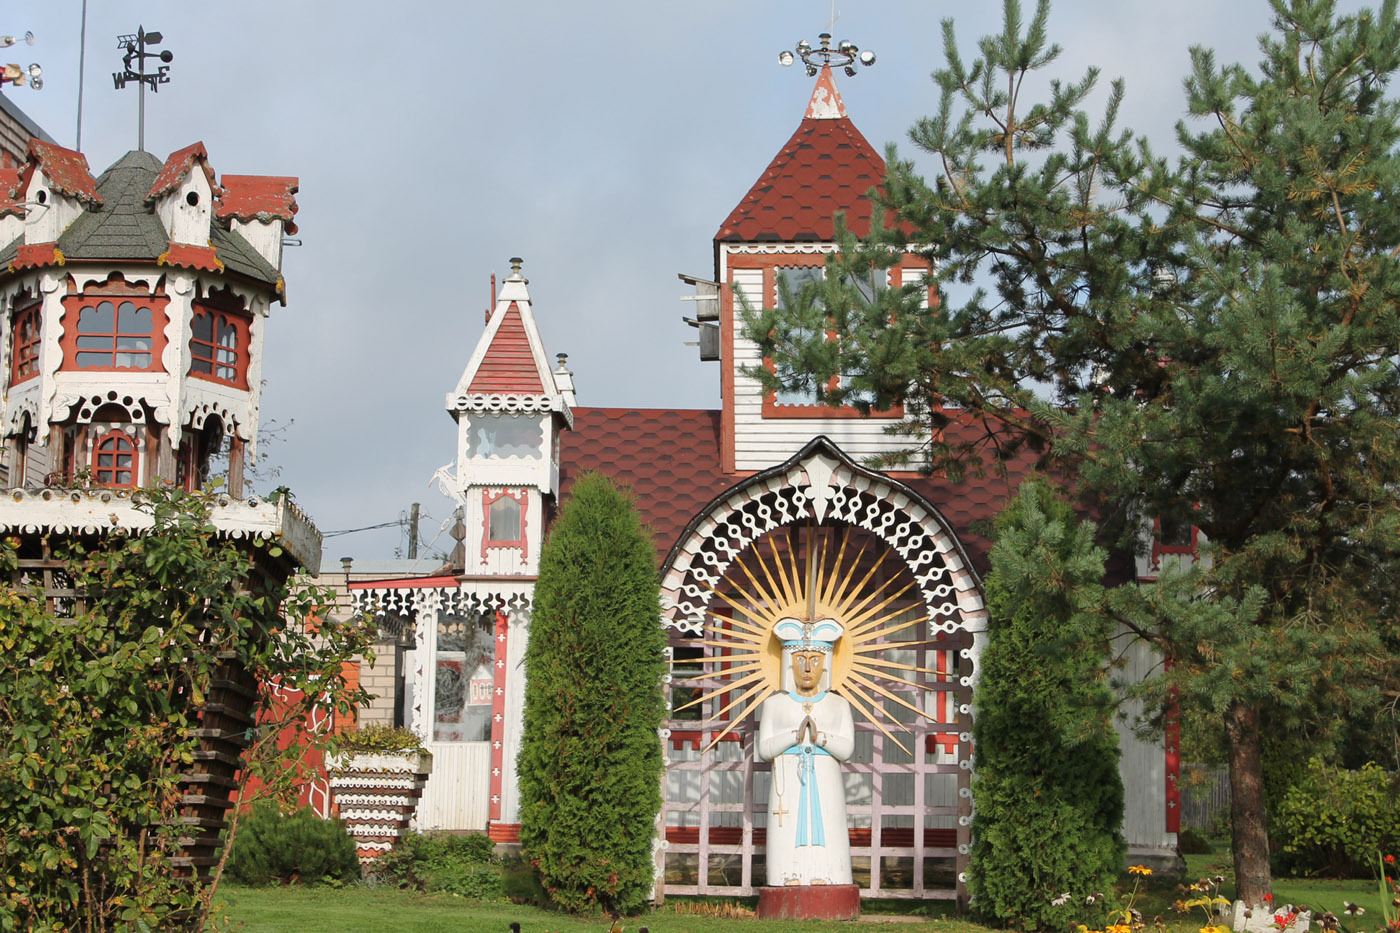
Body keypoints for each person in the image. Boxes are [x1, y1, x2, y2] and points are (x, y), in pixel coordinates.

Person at [757, 618, 855, 886]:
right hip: (788, 775)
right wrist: (794, 736)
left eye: (815, 660)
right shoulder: (775, 704)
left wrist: (820, 737)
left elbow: (847, 749)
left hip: (825, 776)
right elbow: (764, 749)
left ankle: (829, 873)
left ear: (826, 664)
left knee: (827, 823)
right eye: (800, 659)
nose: (808, 668)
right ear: (789, 663)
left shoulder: (838, 704)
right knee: (787, 827)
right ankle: (786, 874)